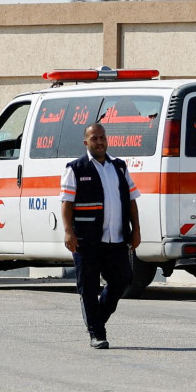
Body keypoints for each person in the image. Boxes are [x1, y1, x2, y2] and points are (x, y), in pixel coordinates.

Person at [60, 123, 141, 349]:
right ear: (86, 142)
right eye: (94, 138)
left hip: (116, 239)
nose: (99, 142)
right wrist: (69, 232)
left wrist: (136, 230)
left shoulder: (119, 167)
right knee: (88, 287)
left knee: (122, 279)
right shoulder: (76, 168)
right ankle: (97, 333)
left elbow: (132, 201)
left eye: (102, 137)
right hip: (87, 240)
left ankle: (96, 318)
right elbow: (66, 204)